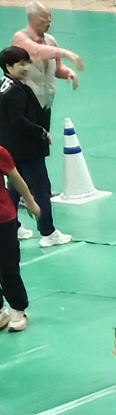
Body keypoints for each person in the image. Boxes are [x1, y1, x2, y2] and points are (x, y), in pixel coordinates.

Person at [7, 4, 81, 245]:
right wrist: (68, 52)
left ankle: (12, 224)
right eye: (45, 16)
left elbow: (54, 66)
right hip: (29, 113)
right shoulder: (22, 38)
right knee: (38, 180)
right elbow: (37, 53)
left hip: (43, 108)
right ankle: (47, 232)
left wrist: (67, 72)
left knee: (17, 176)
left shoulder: (50, 39)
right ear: (32, 18)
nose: (50, 19)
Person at [0, 124, 38, 331]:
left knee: (8, 267)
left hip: (3, 219)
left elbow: (16, 179)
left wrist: (30, 202)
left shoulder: (1, 153)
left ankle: (18, 309)